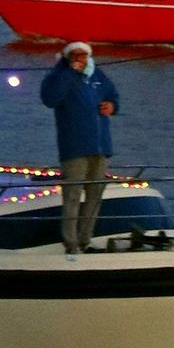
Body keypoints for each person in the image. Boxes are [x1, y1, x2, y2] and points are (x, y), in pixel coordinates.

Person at [40, 41, 119, 254]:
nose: (80, 60)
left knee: (94, 196)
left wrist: (112, 106)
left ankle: (86, 239)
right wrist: (70, 74)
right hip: (74, 148)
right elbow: (50, 98)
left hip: (100, 146)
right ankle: (71, 243)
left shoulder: (97, 76)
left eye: (83, 55)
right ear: (68, 57)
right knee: (72, 196)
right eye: (75, 56)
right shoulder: (58, 76)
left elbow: (113, 95)